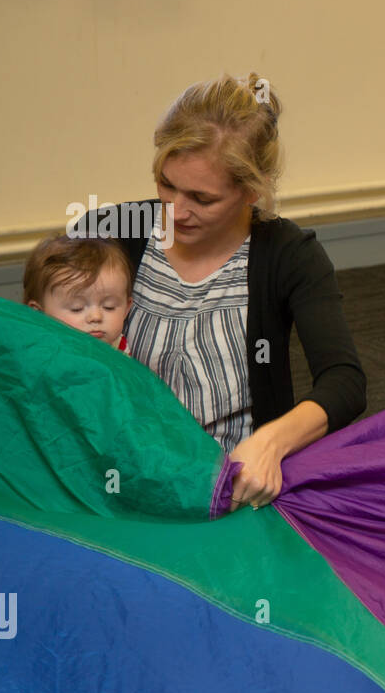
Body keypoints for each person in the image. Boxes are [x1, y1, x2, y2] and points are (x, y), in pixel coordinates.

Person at [95, 73, 366, 509]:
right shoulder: (110, 234)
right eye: (166, 184)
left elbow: (344, 382)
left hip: (232, 486)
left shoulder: (288, 254)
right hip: (121, 474)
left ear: (251, 191)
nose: (175, 210)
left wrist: (270, 443)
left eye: (202, 199)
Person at [24, 233, 133, 351]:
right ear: (38, 313)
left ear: (126, 308)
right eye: (77, 308)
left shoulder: (119, 345)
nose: (96, 317)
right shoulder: (42, 356)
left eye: (109, 307)